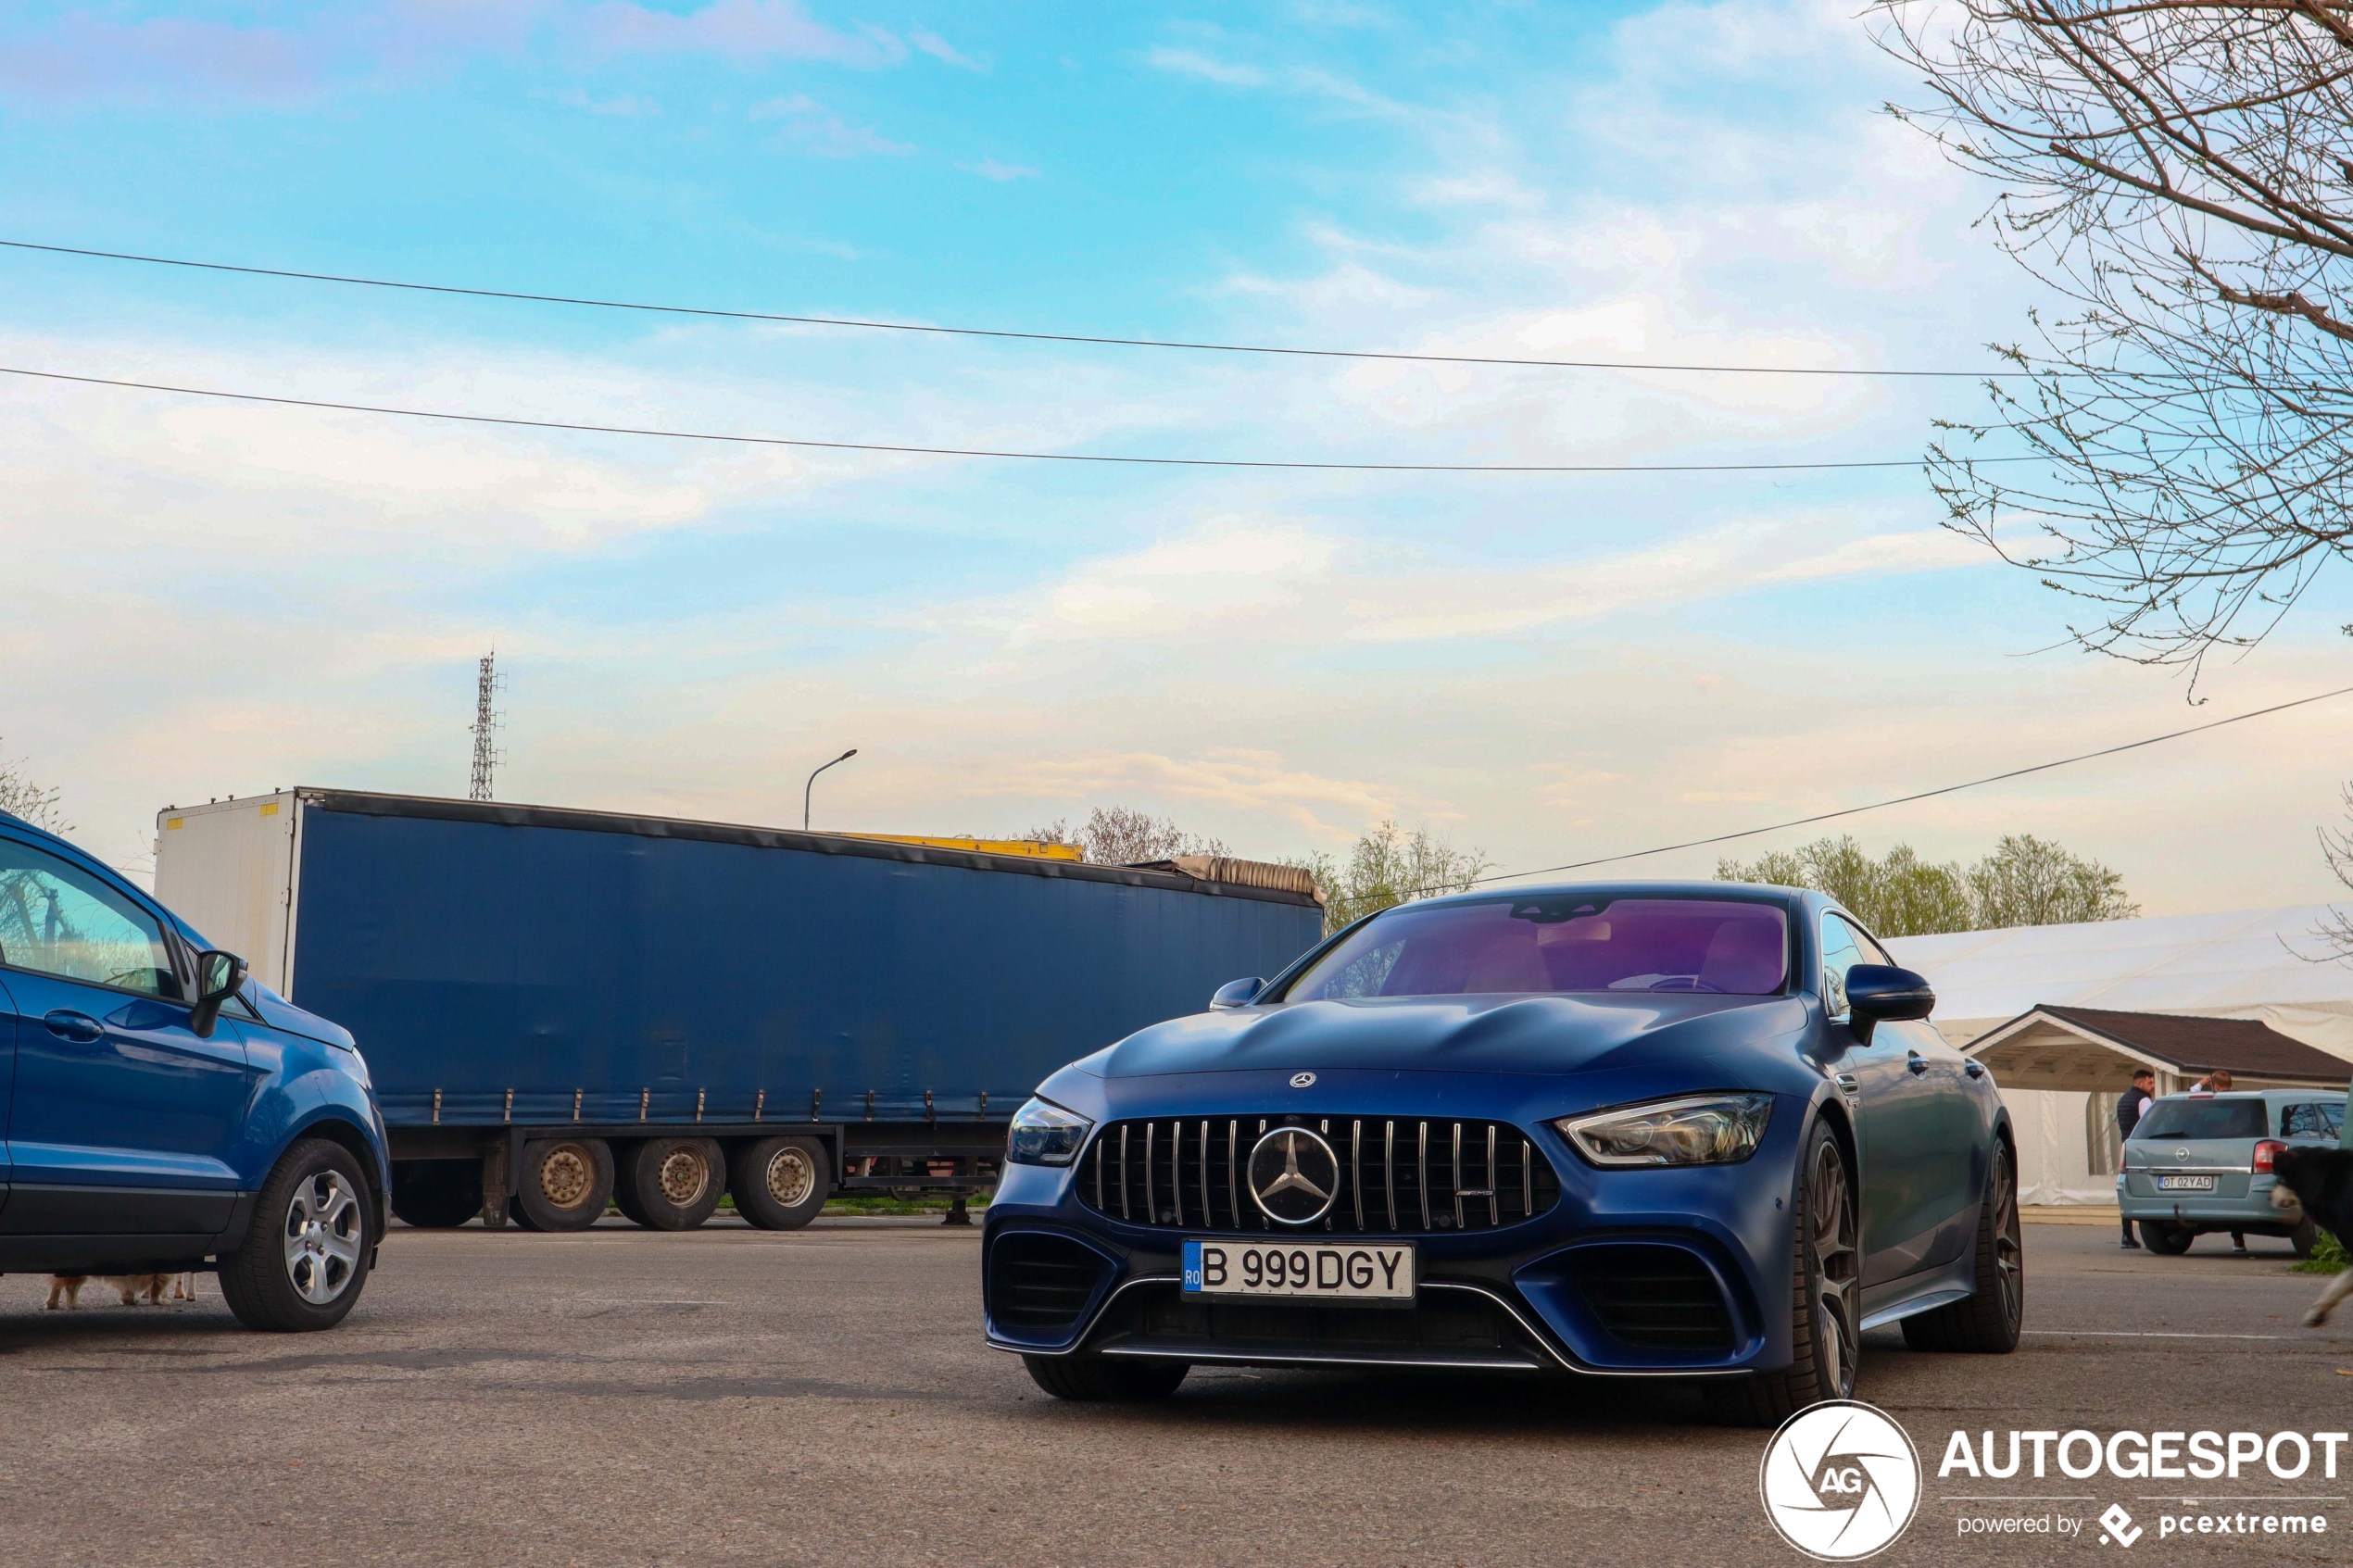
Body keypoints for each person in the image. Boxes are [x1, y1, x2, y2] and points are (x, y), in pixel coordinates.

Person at [2117, 1068, 2156, 1250]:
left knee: (2127, 1188)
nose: (2153, 1086)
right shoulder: (2144, 1100)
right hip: (2141, 1149)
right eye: (2150, 1082)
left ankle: (2126, 1234)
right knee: (2147, 1187)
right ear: (2140, 1083)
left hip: (2126, 1147)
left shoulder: (2123, 1099)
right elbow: (2150, 1124)